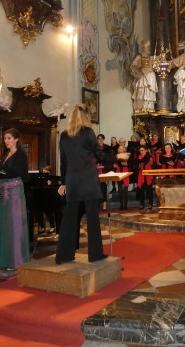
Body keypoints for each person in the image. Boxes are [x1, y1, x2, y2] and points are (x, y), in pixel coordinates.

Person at [56, 104, 108, 264]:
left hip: (73, 181)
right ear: (85, 116)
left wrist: (64, 182)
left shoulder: (64, 135)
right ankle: (95, 254)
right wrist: (117, 157)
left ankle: (64, 255)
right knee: (92, 218)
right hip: (88, 180)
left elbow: (63, 162)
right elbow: (100, 155)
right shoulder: (87, 132)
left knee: (69, 218)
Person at [0, 128, 31, 270]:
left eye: (8, 138)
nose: (6, 141)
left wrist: (0, 172)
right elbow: (2, 172)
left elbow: (20, 173)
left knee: (13, 224)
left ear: (16, 139)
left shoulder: (21, 155)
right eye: (5, 138)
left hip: (14, 191)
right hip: (1, 191)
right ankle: (1, 259)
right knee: (1, 224)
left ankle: (15, 259)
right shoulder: (5, 155)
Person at [131, 41, 158, 112]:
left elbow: (158, 60)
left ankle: (149, 106)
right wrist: (139, 73)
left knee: (151, 79)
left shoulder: (151, 58)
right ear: (143, 48)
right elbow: (132, 66)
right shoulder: (139, 57)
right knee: (142, 91)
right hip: (143, 77)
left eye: (149, 47)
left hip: (151, 77)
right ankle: (143, 106)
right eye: (147, 47)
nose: (149, 49)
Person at [136, 145, 154, 210]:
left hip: (148, 175)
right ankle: (142, 204)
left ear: (146, 150)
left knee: (149, 190)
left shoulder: (149, 157)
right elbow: (137, 167)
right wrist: (139, 166)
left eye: (143, 150)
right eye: (140, 150)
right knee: (141, 191)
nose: (141, 151)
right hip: (141, 175)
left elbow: (152, 165)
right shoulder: (139, 157)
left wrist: (151, 161)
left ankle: (150, 204)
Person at [114, 145, 131, 210]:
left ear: (124, 149)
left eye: (121, 148)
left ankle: (125, 205)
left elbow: (130, 164)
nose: (120, 150)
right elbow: (115, 164)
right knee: (120, 190)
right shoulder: (116, 156)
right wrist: (115, 165)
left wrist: (127, 164)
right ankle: (121, 205)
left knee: (125, 190)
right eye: (119, 148)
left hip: (125, 172)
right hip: (119, 172)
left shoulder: (127, 155)